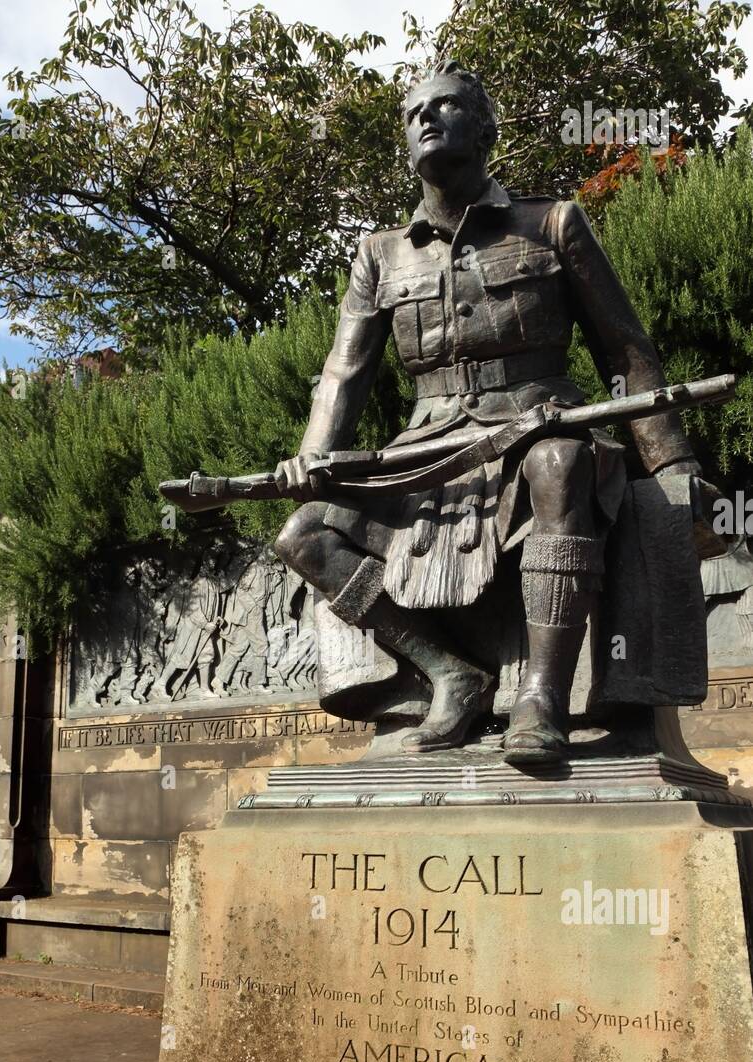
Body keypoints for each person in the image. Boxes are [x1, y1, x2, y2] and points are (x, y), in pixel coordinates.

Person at [273, 61, 700, 763]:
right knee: (303, 532)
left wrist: (675, 463)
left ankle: (542, 698)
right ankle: (449, 673)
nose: (427, 121)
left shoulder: (552, 223)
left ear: (486, 129)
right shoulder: (379, 255)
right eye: (415, 114)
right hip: (430, 450)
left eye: (445, 108)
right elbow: (343, 374)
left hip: (539, 424)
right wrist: (314, 459)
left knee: (560, 464)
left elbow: (625, 351)